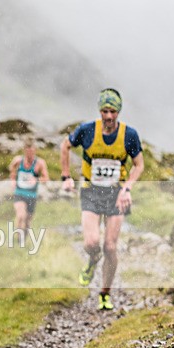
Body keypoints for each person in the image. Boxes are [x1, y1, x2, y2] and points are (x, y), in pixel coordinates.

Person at [60, 88, 144, 310]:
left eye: (113, 111)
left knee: (110, 246)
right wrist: (66, 176)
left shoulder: (129, 135)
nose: (108, 116)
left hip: (116, 195)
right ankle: (91, 261)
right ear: (100, 110)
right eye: (105, 111)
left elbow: (139, 164)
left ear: (118, 112)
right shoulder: (87, 131)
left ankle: (105, 294)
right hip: (91, 191)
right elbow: (65, 145)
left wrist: (127, 188)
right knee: (91, 243)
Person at [9, 138, 49, 238]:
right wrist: (13, 180)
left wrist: (36, 179)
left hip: (32, 195)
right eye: (27, 151)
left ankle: (24, 236)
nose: (30, 154)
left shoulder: (40, 163)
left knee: (27, 220)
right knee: (20, 216)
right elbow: (11, 169)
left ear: (35, 150)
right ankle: (19, 240)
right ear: (24, 150)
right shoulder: (18, 160)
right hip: (19, 193)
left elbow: (46, 178)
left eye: (31, 151)